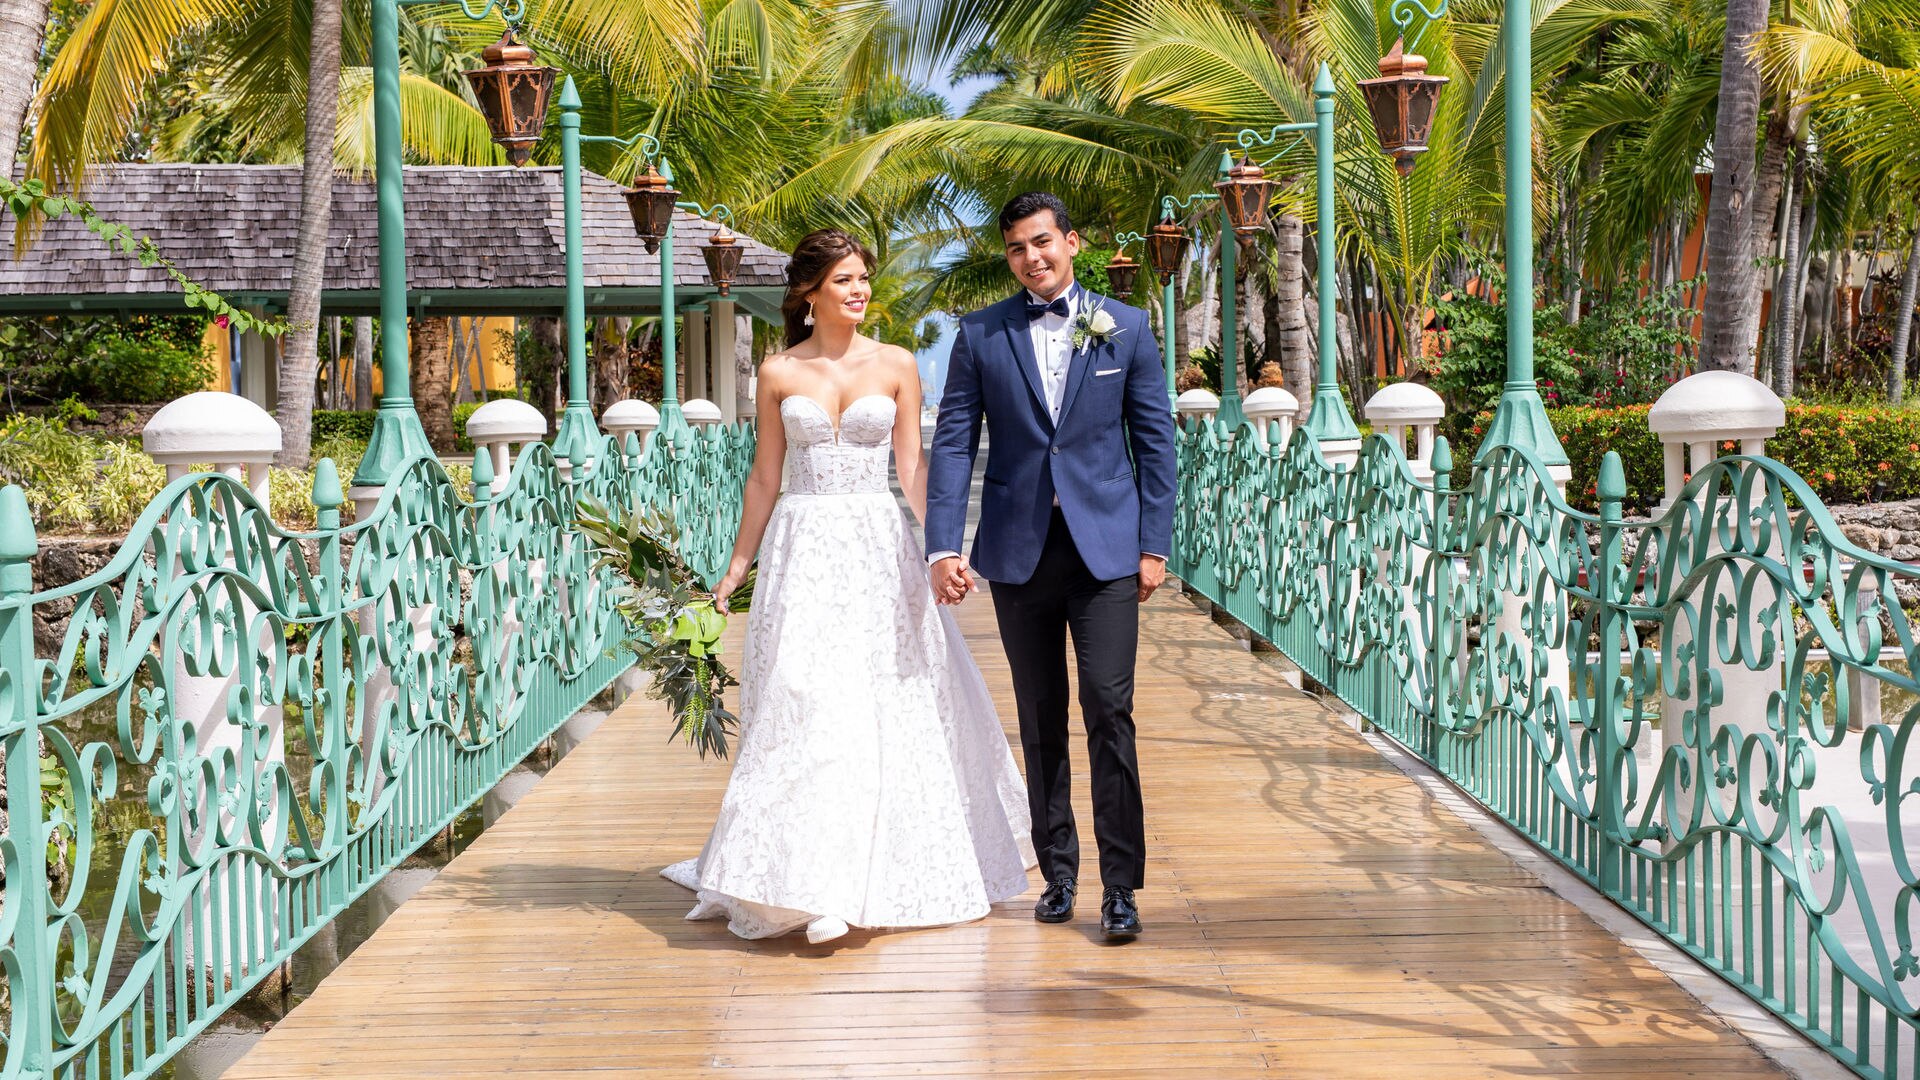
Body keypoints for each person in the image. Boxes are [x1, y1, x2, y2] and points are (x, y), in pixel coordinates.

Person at [661, 229, 1034, 945]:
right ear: (809, 292)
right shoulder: (776, 373)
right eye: (845, 280)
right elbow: (765, 476)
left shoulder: (895, 365)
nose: (860, 290)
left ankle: (854, 881)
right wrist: (737, 567)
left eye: (863, 277)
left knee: (876, 704)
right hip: (801, 547)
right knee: (803, 699)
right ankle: (803, 879)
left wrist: (946, 549)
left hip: (876, 545)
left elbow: (915, 470)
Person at [924, 192, 1178, 941]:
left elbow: (1156, 443)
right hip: (1018, 550)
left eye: (1042, 243)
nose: (1031, 258)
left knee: (1109, 710)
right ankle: (1059, 874)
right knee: (1039, 719)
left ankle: (1122, 888)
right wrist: (943, 545)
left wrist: (1154, 544)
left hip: (1106, 554)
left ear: (1073, 241)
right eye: (1016, 249)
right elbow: (953, 445)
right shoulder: (979, 335)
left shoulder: (1126, 328)